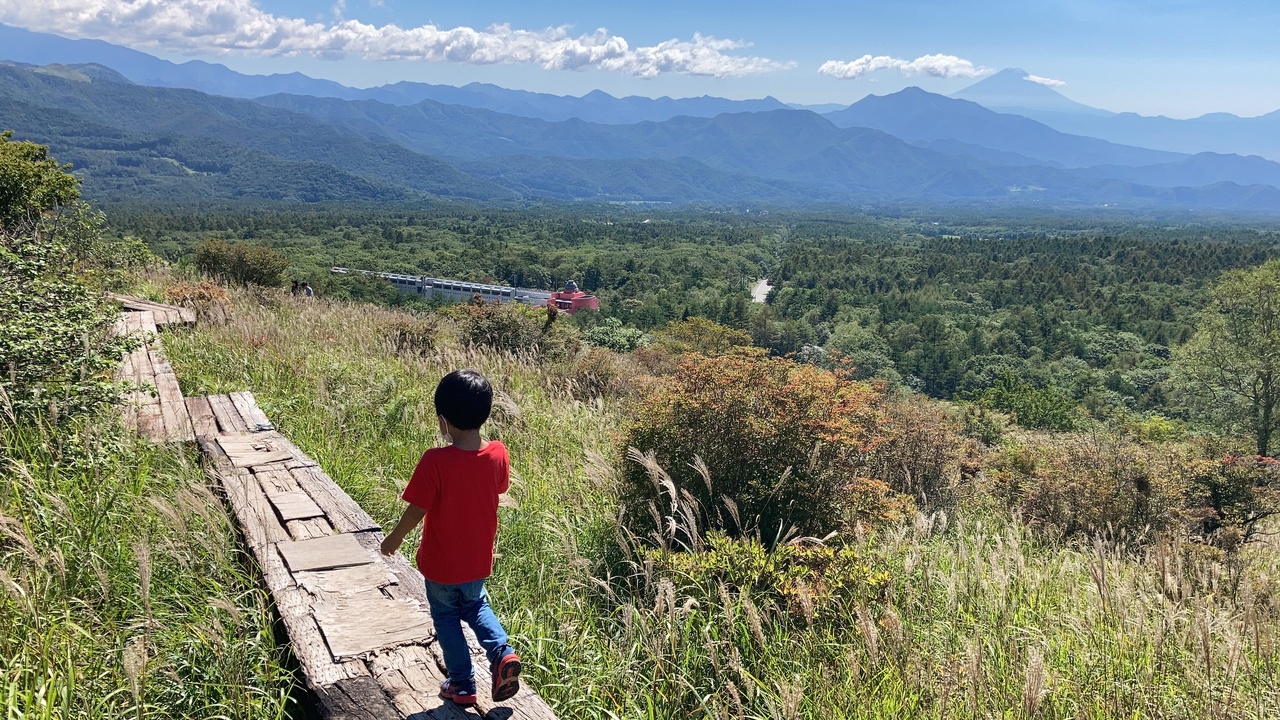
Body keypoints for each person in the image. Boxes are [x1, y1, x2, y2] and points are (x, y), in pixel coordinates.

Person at [380, 369, 522, 706]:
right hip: (477, 560)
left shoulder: (435, 461)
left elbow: (416, 510)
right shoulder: (498, 453)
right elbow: (501, 487)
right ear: (485, 414)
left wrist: (394, 539)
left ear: (443, 421)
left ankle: (462, 684)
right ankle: (502, 652)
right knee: (476, 606)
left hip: (441, 565)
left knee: (446, 619)